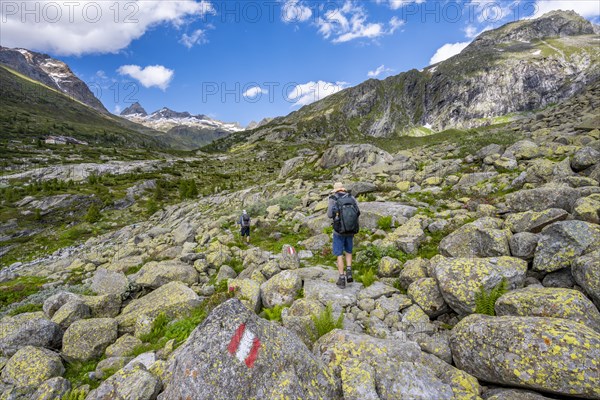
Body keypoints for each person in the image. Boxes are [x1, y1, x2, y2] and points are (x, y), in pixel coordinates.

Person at [327, 182, 360, 289]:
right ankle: (349, 271)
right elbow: (358, 212)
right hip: (351, 230)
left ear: (335, 190)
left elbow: (329, 214)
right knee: (349, 251)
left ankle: (342, 278)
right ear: (343, 189)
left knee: (339, 253)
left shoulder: (333, 198)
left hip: (338, 231)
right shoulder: (351, 197)